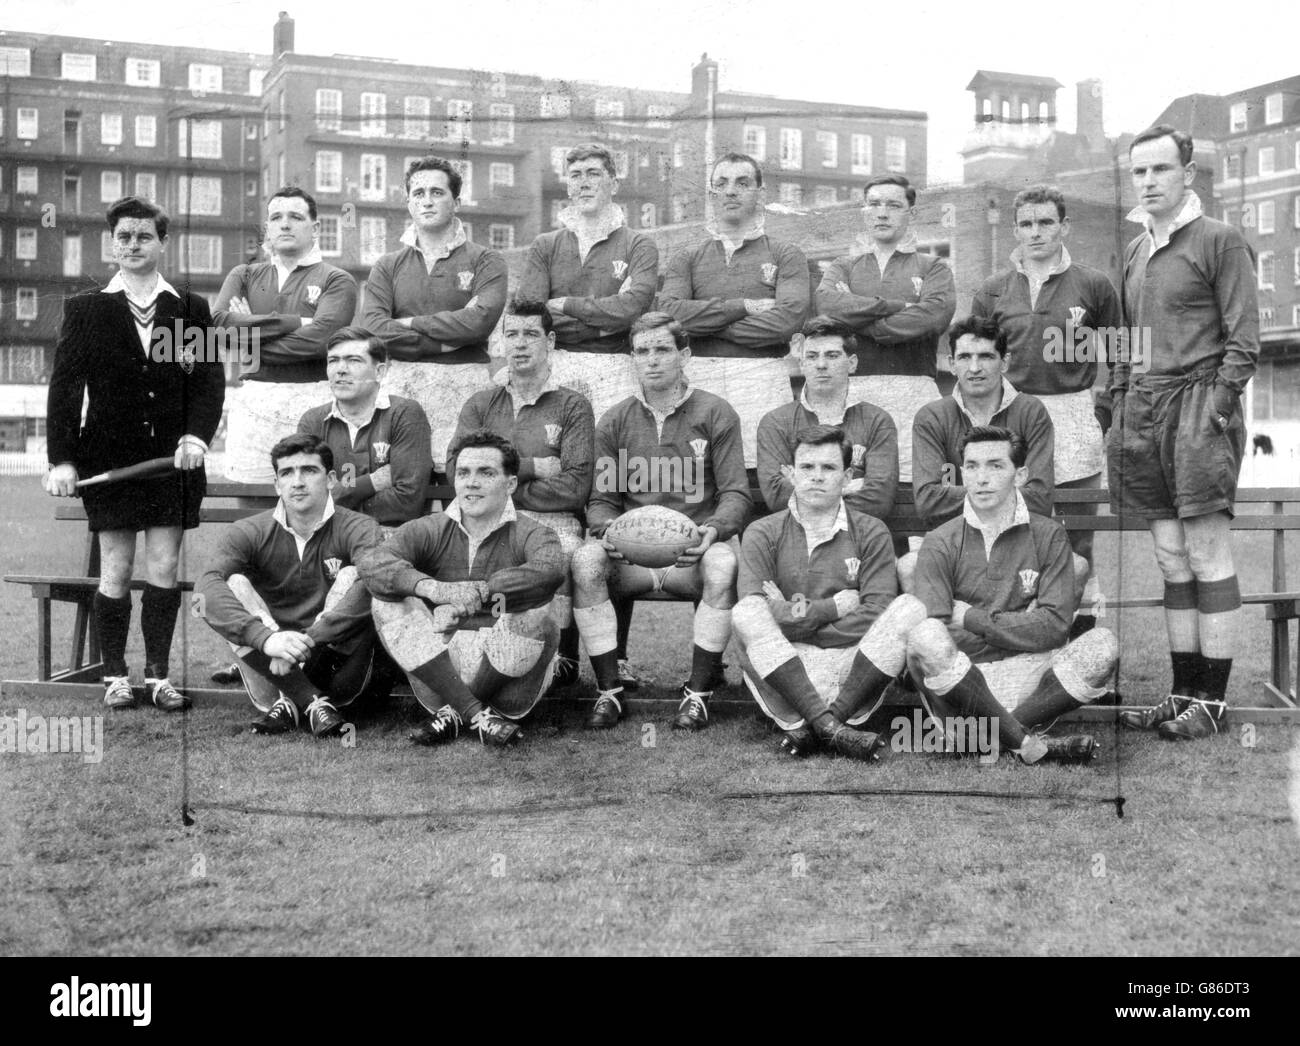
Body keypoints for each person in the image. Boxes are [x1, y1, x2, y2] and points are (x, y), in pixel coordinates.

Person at [45, 196, 225, 712]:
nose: (133, 245)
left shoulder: (188, 308)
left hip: (172, 464)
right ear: (113, 242)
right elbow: (65, 388)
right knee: (116, 571)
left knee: (164, 567)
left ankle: (159, 677)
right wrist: (62, 459)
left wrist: (195, 437)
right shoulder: (87, 308)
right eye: (124, 236)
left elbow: (208, 383)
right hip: (110, 462)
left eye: (144, 236)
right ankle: (115, 676)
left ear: (162, 243)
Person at [1110, 125, 1260, 741]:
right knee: (1171, 559)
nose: (1148, 182)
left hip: (1199, 408)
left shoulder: (1220, 241)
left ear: (1188, 175)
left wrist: (1219, 411)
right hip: (1144, 413)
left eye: (1160, 170)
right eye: (1139, 171)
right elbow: (1123, 341)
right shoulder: (1134, 249)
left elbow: (1244, 340)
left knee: (1205, 553)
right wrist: (1118, 399)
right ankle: (1181, 695)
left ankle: (1213, 705)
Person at [572, 313, 751, 730]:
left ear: (684, 355)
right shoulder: (616, 419)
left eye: (663, 350)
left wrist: (714, 531)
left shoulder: (715, 412)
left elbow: (736, 495)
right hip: (632, 558)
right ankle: (610, 690)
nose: (652, 360)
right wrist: (606, 531)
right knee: (585, 561)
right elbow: (601, 500)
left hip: (691, 555)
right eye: (642, 351)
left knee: (724, 565)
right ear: (632, 359)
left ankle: (698, 693)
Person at [904, 426, 1116, 764]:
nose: (981, 478)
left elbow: (1056, 627)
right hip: (963, 682)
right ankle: (1022, 739)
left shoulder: (1048, 535)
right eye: (972, 467)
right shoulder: (940, 540)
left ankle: (989, 736)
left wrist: (973, 618)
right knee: (924, 635)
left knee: (1103, 645)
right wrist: (1025, 626)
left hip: (1028, 674)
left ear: (1020, 475)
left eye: (995, 466)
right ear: (962, 473)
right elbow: (940, 633)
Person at [971, 184, 1122, 632]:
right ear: (1015, 230)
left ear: (1064, 226)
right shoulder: (993, 289)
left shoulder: (1094, 284)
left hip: (1073, 416)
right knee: (1014, 532)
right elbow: (974, 360)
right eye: (1027, 224)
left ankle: (1082, 638)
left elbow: (1126, 354)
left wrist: (1104, 412)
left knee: (1078, 539)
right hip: (1012, 421)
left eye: (1045, 223)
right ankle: (1019, 635)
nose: (1035, 232)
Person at [358, 430, 565, 748]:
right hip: (441, 671)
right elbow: (373, 564)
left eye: (486, 472)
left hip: (509, 673)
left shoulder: (535, 533)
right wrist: (435, 590)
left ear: (510, 484)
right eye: (464, 473)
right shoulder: (429, 528)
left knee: (540, 611)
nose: (471, 482)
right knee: (385, 602)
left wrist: (481, 591)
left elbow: (549, 569)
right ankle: (472, 713)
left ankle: (456, 714)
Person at [196, 434, 385, 738]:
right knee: (233, 583)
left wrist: (302, 643)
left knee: (354, 576)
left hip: (335, 668)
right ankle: (310, 702)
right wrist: (268, 641)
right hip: (271, 668)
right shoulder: (248, 530)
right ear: (276, 484)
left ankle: (299, 700)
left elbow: (377, 584)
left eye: (309, 471)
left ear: (331, 479)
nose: (297, 482)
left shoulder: (359, 527)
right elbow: (205, 589)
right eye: (287, 473)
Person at [732, 425, 900, 761]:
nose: (817, 477)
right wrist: (834, 608)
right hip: (785, 663)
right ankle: (832, 729)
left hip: (851, 668)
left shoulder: (871, 531)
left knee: (906, 609)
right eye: (807, 467)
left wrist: (792, 615)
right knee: (745, 613)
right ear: (791, 474)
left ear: (848, 476)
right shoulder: (762, 532)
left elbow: (878, 611)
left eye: (829, 468)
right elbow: (757, 608)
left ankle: (822, 725)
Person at [452, 300, 594, 687]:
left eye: (530, 334)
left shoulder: (573, 405)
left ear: (549, 341)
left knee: (561, 553)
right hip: (487, 520)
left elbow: (575, 487)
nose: (519, 343)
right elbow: (457, 468)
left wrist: (495, 483)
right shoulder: (481, 403)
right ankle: (473, 659)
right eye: (511, 334)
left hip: (552, 520)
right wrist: (532, 468)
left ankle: (560, 655)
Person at [658, 151, 809, 468]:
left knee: (764, 470)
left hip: (762, 378)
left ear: (760, 193)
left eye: (742, 182)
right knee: (698, 474)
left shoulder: (786, 254)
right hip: (700, 376)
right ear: (712, 195)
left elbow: (786, 322)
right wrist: (743, 307)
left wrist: (706, 321)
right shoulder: (687, 256)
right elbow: (671, 316)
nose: (731, 191)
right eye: (722, 184)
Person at [361, 156, 507, 472]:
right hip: (402, 389)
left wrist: (409, 323)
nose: (427, 201)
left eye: (437, 193)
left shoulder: (486, 261)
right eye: (419, 193)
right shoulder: (387, 265)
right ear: (409, 203)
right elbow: (373, 329)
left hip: (465, 389)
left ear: (456, 201)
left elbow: (479, 323)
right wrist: (445, 341)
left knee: (464, 484)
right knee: (402, 483)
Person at [815, 174, 956, 483]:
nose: (882, 213)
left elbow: (932, 318)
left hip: (914, 391)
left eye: (893, 205)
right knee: (855, 487)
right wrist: (895, 307)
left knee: (917, 484)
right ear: (864, 212)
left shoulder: (933, 266)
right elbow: (827, 306)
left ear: (911, 213)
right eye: (874, 204)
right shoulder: (843, 266)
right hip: (855, 393)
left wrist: (855, 313)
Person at [214, 187, 358, 483]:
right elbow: (216, 325)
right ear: (267, 227)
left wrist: (248, 341)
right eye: (276, 217)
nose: (285, 224)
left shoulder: (336, 279)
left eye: (295, 216)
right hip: (255, 406)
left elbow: (321, 340)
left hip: (313, 405)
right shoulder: (244, 274)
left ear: (315, 227)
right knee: (253, 512)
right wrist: (297, 321)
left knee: (314, 508)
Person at [515, 143, 658, 421]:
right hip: (557, 364)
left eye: (593, 174)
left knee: (611, 455)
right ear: (568, 186)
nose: (583, 184)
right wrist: (605, 325)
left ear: (613, 184)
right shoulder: (546, 245)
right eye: (576, 175)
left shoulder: (639, 245)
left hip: (615, 366)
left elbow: (633, 310)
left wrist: (564, 305)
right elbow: (530, 318)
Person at [911, 316, 1055, 528]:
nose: (975, 367)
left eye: (986, 356)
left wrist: (970, 497)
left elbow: (1039, 498)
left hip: (1018, 534)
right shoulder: (932, 417)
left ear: (1004, 362)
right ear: (952, 364)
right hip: (954, 539)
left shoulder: (1031, 412)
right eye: (964, 357)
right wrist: (1002, 494)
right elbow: (929, 501)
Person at [756, 316, 898, 521]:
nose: (821, 364)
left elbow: (879, 500)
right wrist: (845, 487)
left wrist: (804, 487)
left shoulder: (877, 420)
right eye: (812, 356)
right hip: (796, 539)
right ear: (802, 364)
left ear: (852, 363)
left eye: (832, 355)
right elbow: (777, 497)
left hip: (857, 538)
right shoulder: (776, 422)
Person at [298, 327, 432, 527]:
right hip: (329, 539)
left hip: (391, 537)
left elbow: (407, 501)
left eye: (353, 360)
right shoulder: (313, 421)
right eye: (333, 360)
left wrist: (339, 495)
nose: (340, 369)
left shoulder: (404, 414)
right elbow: (306, 499)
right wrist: (373, 482)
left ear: (379, 372)